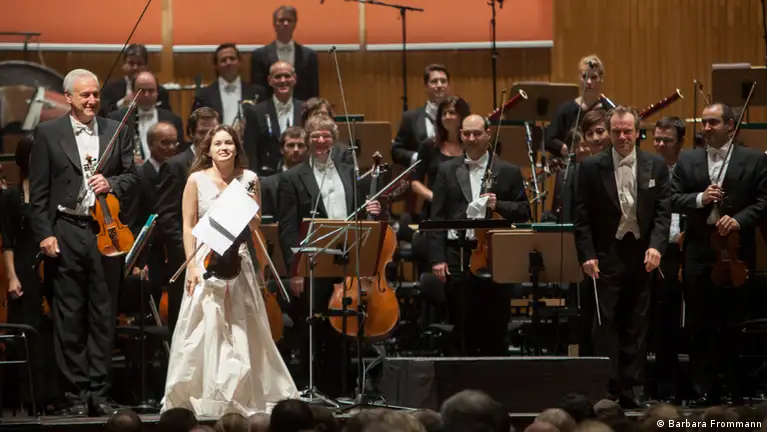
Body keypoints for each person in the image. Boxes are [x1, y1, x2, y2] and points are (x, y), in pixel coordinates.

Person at [161, 125, 298, 416]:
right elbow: (187, 224)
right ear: (208, 150)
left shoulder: (249, 178)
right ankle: (206, 394)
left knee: (243, 325)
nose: (224, 148)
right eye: (218, 143)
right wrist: (191, 266)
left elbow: (255, 224)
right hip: (206, 259)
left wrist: (244, 205)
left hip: (239, 258)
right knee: (205, 327)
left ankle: (243, 393)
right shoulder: (196, 180)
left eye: (229, 143)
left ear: (236, 148)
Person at [29, 68, 138, 416]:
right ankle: (75, 394)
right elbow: (39, 193)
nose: (92, 100)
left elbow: (132, 176)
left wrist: (112, 184)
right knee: (69, 315)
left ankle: (99, 393)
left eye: (95, 94)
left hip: (106, 230)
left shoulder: (115, 129)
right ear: (68, 98)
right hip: (66, 230)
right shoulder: (48, 133)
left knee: (104, 314)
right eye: (84, 95)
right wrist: (45, 234)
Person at [276, 114, 381, 397]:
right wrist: (295, 270)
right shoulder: (292, 178)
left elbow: (359, 215)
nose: (321, 140)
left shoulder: (349, 172)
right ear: (308, 140)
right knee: (317, 327)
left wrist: (372, 210)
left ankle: (344, 387)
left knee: (346, 325)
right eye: (315, 136)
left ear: (334, 140)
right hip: (313, 262)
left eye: (326, 136)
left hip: (346, 260)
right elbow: (288, 229)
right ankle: (317, 387)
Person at [670, 103, 767, 406]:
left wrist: (739, 220)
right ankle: (704, 390)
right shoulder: (688, 160)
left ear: (730, 126)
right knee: (699, 322)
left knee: (734, 321)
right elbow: (671, 198)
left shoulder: (754, 160)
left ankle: (735, 388)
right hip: (699, 250)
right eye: (704, 122)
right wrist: (700, 198)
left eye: (713, 122)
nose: (706, 128)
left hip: (737, 249)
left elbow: (763, 201)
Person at [573, 105, 670, 408]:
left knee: (637, 323)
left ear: (638, 132)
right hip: (606, 254)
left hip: (642, 253)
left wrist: (657, 246)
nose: (622, 136)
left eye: (628, 131)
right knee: (606, 324)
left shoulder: (656, 165)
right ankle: (608, 388)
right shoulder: (591, 167)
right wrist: (587, 255)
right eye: (616, 131)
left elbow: (663, 213)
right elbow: (581, 217)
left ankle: (634, 388)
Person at [429, 114, 530, 356]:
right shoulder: (446, 170)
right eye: (466, 134)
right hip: (458, 254)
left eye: (477, 133)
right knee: (463, 326)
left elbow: (524, 211)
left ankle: (495, 374)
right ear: (461, 135)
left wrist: (499, 205)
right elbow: (437, 218)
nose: (471, 138)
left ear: (488, 134)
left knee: (495, 325)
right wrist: (438, 258)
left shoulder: (508, 171)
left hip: (496, 256)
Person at [0, 135, 60, 415]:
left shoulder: (53, 192)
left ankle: (53, 395)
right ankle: (27, 396)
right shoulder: (11, 197)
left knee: (52, 333)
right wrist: (12, 277)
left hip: (53, 267)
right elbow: (8, 242)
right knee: (29, 330)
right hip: (25, 269)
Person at [155, 107, 220, 337]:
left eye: (213, 131)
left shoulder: (223, 164)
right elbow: (167, 217)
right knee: (187, 324)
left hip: (221, 256)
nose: (208, 137)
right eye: (202, 132)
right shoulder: (175, 166)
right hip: (188, 257)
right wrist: (190, 253)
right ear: (191, 133)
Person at [650, 116, 686, 404]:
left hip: (684, 250)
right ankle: (657, 383)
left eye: (667, 140)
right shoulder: (647, 168)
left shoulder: (689, 169)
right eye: (657, 139)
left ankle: (681, 384)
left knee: (680, 319)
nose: (660, 145)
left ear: (680, 143)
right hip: (656, 251)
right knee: (656, 318)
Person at [243, 61, 305, 177]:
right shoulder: (256, 112)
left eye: (287, 76)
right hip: (267, 177)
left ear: (294, 79)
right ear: (270, 80)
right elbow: (251, 152)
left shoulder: (305, 109)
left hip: (301, 175)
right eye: (278, 77)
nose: (283, 80)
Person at [250, 5, 319, 102]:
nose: (286, 24)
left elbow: (313, 91)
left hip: (301, 108)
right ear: (274, 24)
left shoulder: (309, 55)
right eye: (281, 20)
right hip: (269, 108)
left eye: (289, 20)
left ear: (295, 24)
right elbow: (258, 90)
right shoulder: (259, 55)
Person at [545, 55, 606, 158]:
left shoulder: (608, 109)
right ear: (579, 78)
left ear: (601, 78)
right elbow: (549, 140)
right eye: (584, 76)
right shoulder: (565, 110)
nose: (589, 82)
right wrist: (565, 149)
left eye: (594, 77)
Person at [391, 64, 451, 168]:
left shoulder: (458, 115)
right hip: (422, 174)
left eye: (443, 81)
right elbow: (396, 151)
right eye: (434, 81)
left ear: (448, 85)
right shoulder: (410, 118)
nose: (439, 85)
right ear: (425, 87)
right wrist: (417, 157)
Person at [192, 43, 267, 125]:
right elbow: (195, 125)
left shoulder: (257, 92)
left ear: (240, 62)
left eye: (232, 59)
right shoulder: (203, 95)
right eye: (223, 60)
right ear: (216, 66)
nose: (228, 63)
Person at [100, 43, 172, 115]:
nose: (135, 68)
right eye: (131, 63)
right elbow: (103, 115)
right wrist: (121, 103)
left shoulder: (159, 91)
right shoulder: (110, 88)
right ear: (124, 65)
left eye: (139, 64)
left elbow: (167, 116)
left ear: (146, 67)